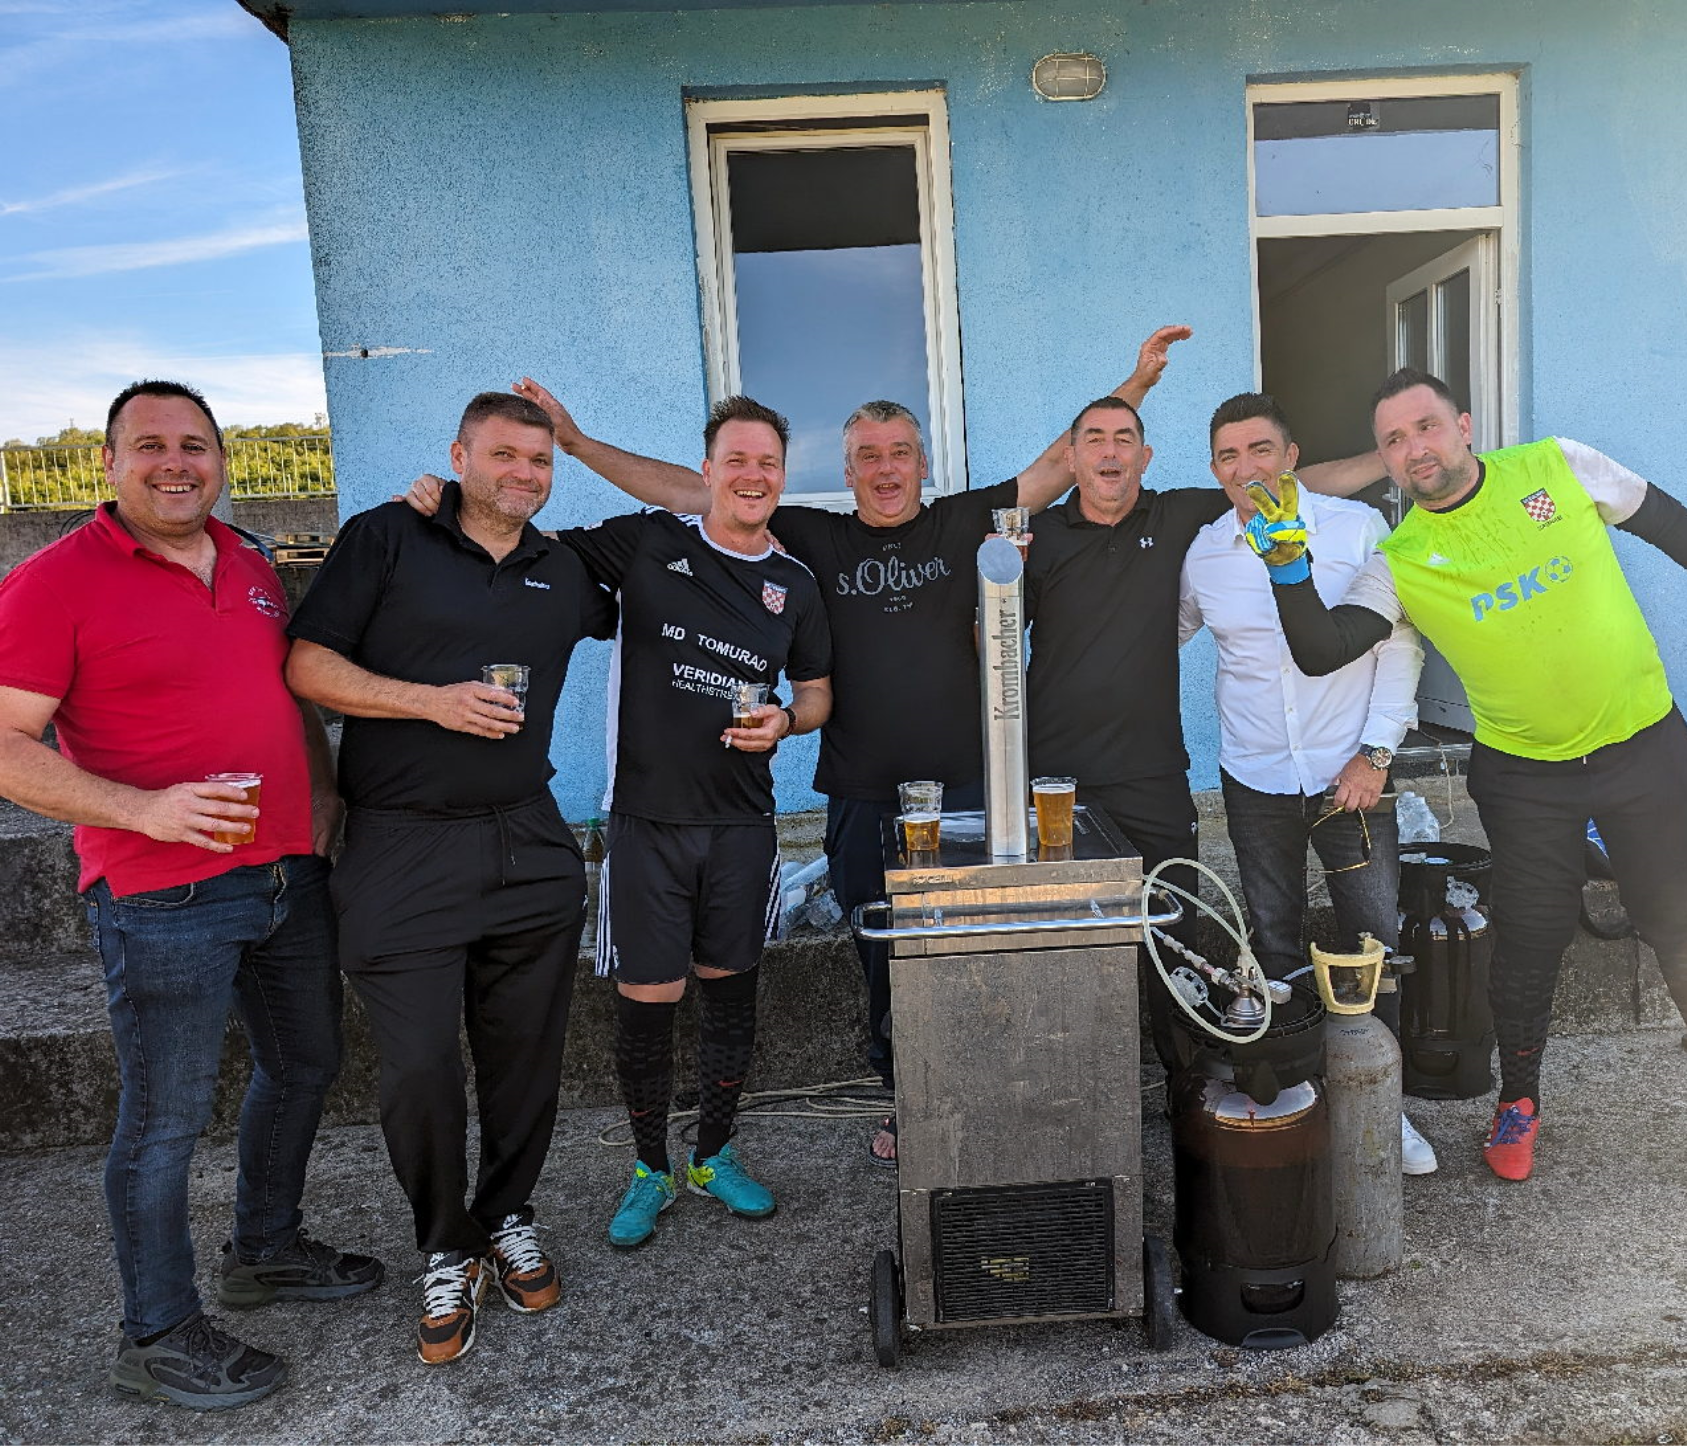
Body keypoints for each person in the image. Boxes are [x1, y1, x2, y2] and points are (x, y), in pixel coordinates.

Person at [411, 326, 1190, 1164]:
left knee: (975, 953)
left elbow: (1064, 459)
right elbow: (691, 490)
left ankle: (983, 1094)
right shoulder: (813, 538)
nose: (885, 469)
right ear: (845, 472)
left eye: (900, 453)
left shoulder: (962, 521)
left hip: (967, 785)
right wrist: (572, 443)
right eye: (867, 456)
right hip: (860, 789)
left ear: (923, 464)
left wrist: (1136, 385)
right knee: (881, 957)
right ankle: (908, 1098)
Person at [1247, 367, 1687, 1201]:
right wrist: (1288, 568)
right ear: (1387, 461)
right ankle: (1518, 1103)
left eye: (1426, 426)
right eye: (1394, 440)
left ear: (1464, 426)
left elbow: (1668, 523)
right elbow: (1321, 648)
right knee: (1529, 939)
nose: (1414, 448)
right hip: (1524, 774)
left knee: (1682, 924)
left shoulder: (1557, 466)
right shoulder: (1400, 561)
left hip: (1641, 746)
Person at [0, 381, 382, 1411]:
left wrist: (325, 793)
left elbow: (285, 695)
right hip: (163, 893)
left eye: (196, 445)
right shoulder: (52, 582)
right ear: (109, 464)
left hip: (286, 870)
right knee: (164, 1122)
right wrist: (144, 810)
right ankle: (158, 1335)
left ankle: (265, 1249)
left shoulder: (249, 560)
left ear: (221, 459)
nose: (176, 463)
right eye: (151, 446)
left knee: (305, 1063)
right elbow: (6, 745)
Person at [285, 391, 616, 1365]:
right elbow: (307, 666)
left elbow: (704, 516)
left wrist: (588, 438)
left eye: (540, 460)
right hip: (401, 846)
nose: (524, 474)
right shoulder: (388, 535)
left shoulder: (567, 569)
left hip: (526, 840)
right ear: (459, 455)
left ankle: (507, 1214)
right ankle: (447, 1244)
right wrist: (430, 702)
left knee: (525, 1061)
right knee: (421, 1067)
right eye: (503, 454)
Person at [546, 395, 832, 1251]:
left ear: (783, 475)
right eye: (735, 460)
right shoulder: (649, 543)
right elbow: (521, 541)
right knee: (649, 1001)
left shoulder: (795, 583)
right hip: (647, 821)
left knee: (730, 992)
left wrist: (787, 720)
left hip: (742, 825)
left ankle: (712, 1154)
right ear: (705, 472)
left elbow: (817, 691)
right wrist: (561, 449)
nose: (752, 475)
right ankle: (649, 1168)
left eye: (767, 462)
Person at [1022, 394, 1381, 1070]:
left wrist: (1393, 457)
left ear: (1146, 457)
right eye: (1094, 439)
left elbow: (1283, 486)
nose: (1110, 452)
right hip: (1061, 772)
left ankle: (1184, 1080)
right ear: (1070, 459)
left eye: (1124, 439)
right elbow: (991, 635)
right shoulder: (1041, 539)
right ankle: (1075, 1076)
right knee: (1069, 934)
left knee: (1178, 934)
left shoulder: (1183, 518)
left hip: (1163, 771)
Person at [1177, 392, 1435, 1172]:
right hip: (1254, 776)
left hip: (1349, 775)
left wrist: (1377, 754)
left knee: (1373, 943)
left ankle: (1384, 1109)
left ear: (1291, 457)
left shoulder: (1356, 529)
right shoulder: (1204, 554)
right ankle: (1297, 1096)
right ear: (1215, 470)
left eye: (1261, 449)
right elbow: (1162, 635)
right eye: (1228, 456)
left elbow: (1401, 645)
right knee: (1274, 942)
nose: (1245, 468)